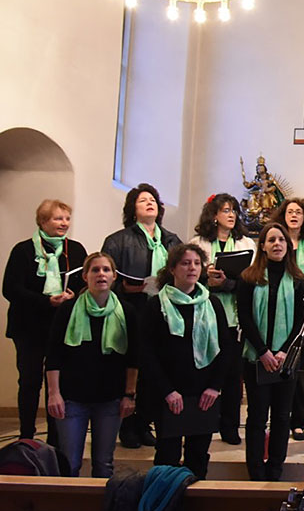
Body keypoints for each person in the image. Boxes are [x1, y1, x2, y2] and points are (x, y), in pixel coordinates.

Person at [142, 244, 234, 480]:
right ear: (172, 268)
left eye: (196, 263)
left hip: (203, 393)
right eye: (185, 263)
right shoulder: (156, 305)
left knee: (198, 456)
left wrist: (214, 386)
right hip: (169, 394)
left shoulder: (212, 304)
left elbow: (225, 348)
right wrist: (168, 391)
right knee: (167, 457)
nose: (191, 268)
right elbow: (148, 352)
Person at [102, 183, 182, 449]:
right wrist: (124, 287)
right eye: (142, 200)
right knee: (130, 369)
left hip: (163, 312)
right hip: (130, 311)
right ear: (132, 209)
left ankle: (144, 422)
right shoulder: (118, 240)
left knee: (154, 370)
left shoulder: (171, 240)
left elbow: (185, 271)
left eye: (153, 200)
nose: (149, 203)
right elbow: (104, 277)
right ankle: (127, 425)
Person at [46, 252, 137, 481]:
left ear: (114, 276)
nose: (101, 274)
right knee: (70, 463)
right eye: (95, 270)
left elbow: (133, 359)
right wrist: (53, 393)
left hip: (110, 399)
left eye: (106, 270)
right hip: (72, 399)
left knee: (104, 464)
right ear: (85, 276)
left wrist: (129, 394)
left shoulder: (126, 312)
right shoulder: (68, 310)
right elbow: (54, 355)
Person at [3, 199, 86, 443]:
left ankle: (56, 436)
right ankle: (27, 435)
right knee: (29, 381)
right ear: (42, 221)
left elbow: (84, 283)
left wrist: (73, 296)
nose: (64, 223)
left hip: (61, 326)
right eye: (58, 218)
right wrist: (46, 300)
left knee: (58, 383)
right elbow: (11, 289)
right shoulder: (23, 250)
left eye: (67, 219)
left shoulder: (77, 249)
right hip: (28, 327)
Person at [237, 223, 304, 481]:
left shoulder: (298, 280)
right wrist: (264, 351)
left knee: (281, 416)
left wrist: (284, 351)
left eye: (281, 240)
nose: (277, 244)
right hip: (257, 357)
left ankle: (275, 468)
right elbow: (244, 317)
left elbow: (302, 319)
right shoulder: (248, 278)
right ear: (262, 246)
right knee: (256, 416)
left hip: (286, 360)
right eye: (271, 240)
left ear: (288, 246)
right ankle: (255, 470)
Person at [190, 193, 255, 446]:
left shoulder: (246, 244)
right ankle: (204, 422)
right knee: (204, 372)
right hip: (204, 317)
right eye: (225, 210)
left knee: (232, 375)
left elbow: (253, 280)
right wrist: (206, 278)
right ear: (213, 215)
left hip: (234, 317)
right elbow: (187, 274)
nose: (231, 215)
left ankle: (230, 426)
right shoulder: (198, 242)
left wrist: (229, 282)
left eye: (234, 210)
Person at [271, 197, 304, 441]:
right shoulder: (276, 242)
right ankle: (277, 419)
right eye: (290, 212)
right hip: (277, 313)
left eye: (299, 213)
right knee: (278, 368)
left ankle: (298, 422)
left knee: (300, 368)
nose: (294, 216)